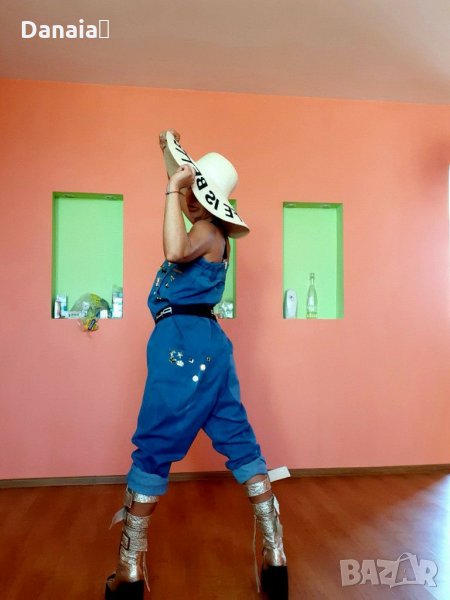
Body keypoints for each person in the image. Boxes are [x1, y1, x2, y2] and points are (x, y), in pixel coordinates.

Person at [105, 130, 288, 599]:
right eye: (189, 189)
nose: (189, 198)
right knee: (238, 440)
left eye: (196, 191)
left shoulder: (206, 232)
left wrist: (172, 187)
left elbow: (172, 251)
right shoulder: (207, 233)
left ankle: (129, 567)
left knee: (154, 445)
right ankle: (275, 553)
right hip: (206, 346)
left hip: (183, 345)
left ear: (213, 203)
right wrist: (174, 168)